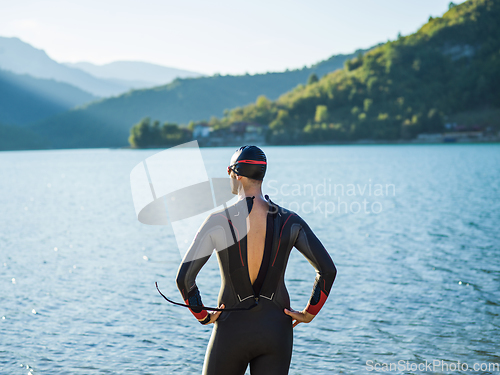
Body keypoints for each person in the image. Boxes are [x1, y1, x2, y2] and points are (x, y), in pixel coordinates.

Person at [176, 145, 337, 375]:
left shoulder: (217, 221)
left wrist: (204, 316)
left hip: (231, 330)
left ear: (236, 174)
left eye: (229, 171)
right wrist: (309, 313)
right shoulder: (290, 221)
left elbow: (184, 279)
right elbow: (327, 270)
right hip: (277, 331)